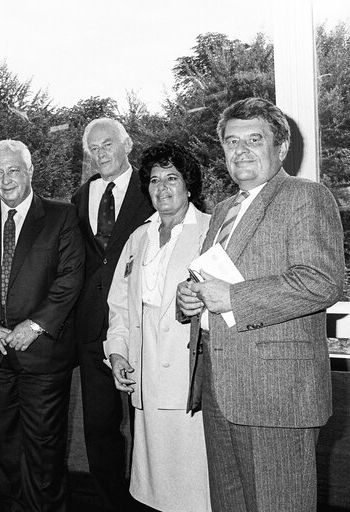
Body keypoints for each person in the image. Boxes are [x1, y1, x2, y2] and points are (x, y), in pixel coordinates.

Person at [177, 97, 345, 512]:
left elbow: (322, 282)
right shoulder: (221, 210)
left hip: (277, 393)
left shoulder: (306, 196)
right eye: (232, 142)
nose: (241, 150)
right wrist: (189, 298)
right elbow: (210, 280)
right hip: (219, 385)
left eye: (255, 139)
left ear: (281, 148)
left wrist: (231, 297)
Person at [0, 139, 85, 512]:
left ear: (30, 171)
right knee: (7, 449)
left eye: (13, 170)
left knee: (45, 450)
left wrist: (35, 325)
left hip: (41, 354)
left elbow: (70, 278)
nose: (5, 179)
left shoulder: (61, 215)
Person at [105, 142, 211, 512]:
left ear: (189, 185)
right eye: (154, 180)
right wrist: (116, 353)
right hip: (144, 371)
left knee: (194, 483)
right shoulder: (138, 237)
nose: (162, 188)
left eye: (172, 178)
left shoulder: (210, 232)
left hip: (188, 374)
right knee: (154, 483)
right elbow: (119, 304)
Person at [70, 118, 154, 511]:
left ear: (128, 144)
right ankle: (111, 503)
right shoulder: (79, 196)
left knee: (145, 424)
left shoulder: (152, 189)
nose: (101, 154)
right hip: (91, 329)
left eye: (108, 145)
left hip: (140, 325)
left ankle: (146, 499)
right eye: (95, 149)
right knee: (99, 427)